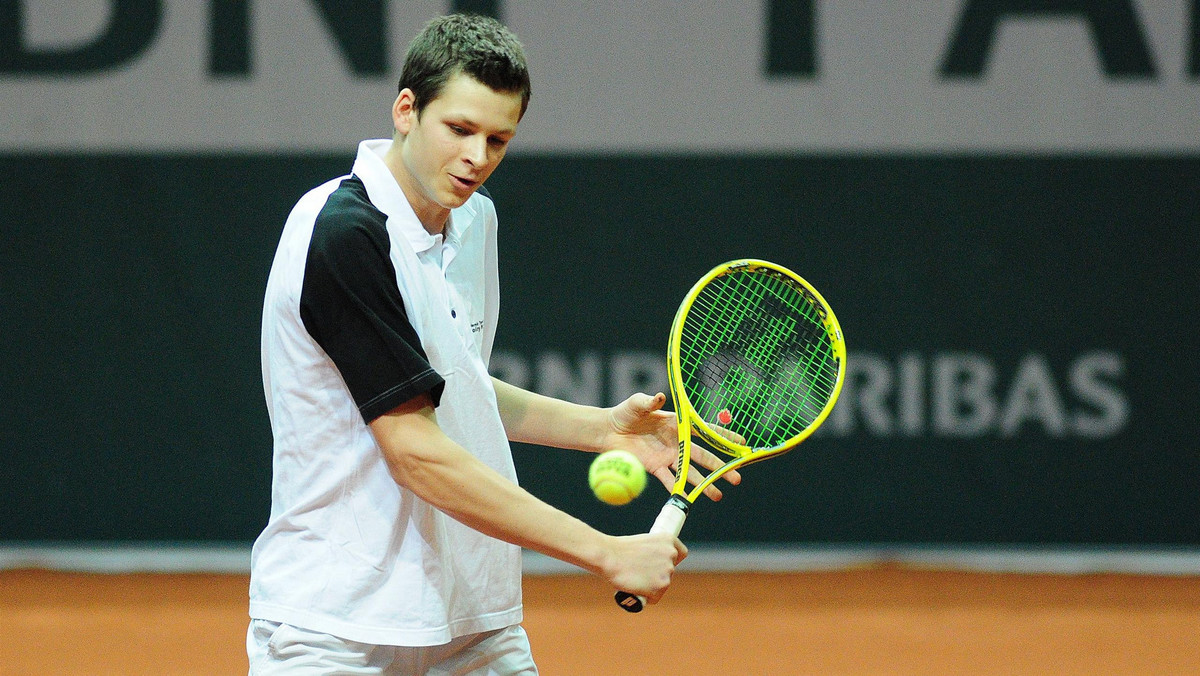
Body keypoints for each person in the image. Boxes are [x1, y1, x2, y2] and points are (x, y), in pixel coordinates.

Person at [248, 13, 738, 675]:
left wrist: (601, 430)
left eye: (498, 139)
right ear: (405, 110)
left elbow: (455, 385)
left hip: (474, 625)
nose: (477, 158)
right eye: (459, 129)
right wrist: (604, 551)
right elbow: (417, 451)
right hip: (338, 630)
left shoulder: (474, 220)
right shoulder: (342, 234)